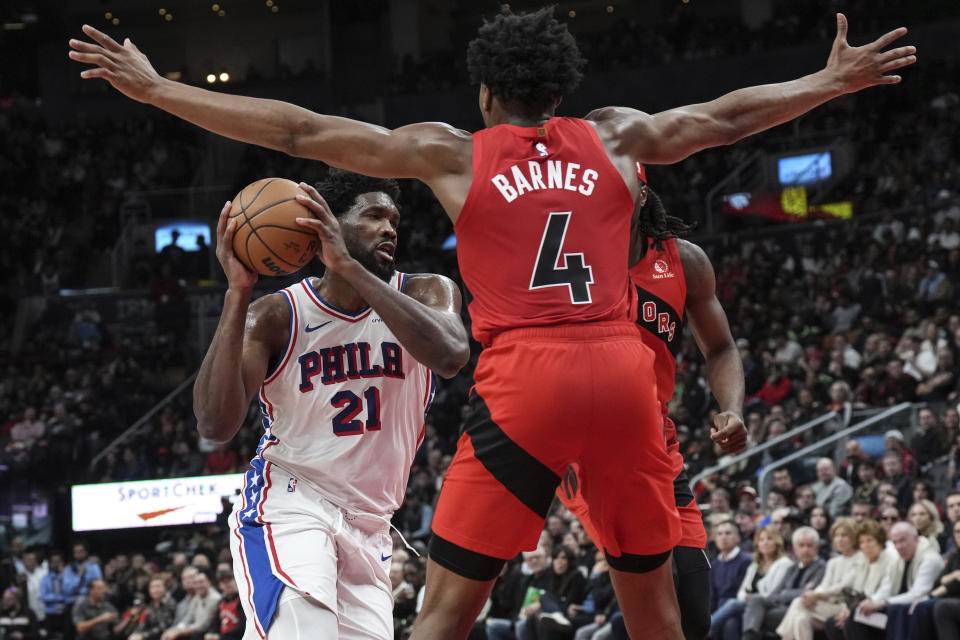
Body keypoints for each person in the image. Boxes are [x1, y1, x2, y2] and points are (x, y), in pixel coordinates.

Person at [69, 8, 917, 638]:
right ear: (561, 89)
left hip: (525, 381)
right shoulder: (616, 136)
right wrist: (828, 80)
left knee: (445, 611)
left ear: (484, 91)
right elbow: (727, 115)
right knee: (654, 607)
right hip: (625, 375)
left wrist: (154, 88)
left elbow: (299, 129)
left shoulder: (455, 151)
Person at [190, 170, 468, 639]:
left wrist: (350, 267)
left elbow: (451, 356)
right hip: (292, 504)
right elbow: (215, 425)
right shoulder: (277, 315)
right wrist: (238, 292)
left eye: (394, 219)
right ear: (326, 225)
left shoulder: (425, 292)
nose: (390, 229)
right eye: (374, 215)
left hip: (372, 527)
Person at [559, 179, 748, 639]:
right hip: (585, 450)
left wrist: (733, 407)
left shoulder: (684, 260)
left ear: (641, 194)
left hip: (656, 443)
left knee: (694, 612)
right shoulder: (559, 255)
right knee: (656, 602)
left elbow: (721, 347)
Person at [844, 522, 941, 640]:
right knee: (857, 612)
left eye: (903, 540)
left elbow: (918, 593)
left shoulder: (930, 559)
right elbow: (886, 587)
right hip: (895, 609)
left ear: (915, 539)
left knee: (895, 609)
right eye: (895, 542)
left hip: (919, 610)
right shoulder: (897, 560)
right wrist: (871, 601)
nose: (899, 546)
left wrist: (883, 603)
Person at [776, 518, 863, 640]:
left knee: (797, 602)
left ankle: (784, 637)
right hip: (828, 604)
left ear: (854, 537)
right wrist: (813, 595)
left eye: (844, 535)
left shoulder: (861, 558)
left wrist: (817, 596)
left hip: (845, 606)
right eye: (837, 535)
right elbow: (824, 584)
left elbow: (844, 586)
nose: (840, 539)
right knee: (802, 619)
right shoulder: (833, 562)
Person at [740, 527, 827, 640]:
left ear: (816, 548)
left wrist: (785, 594)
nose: (805, 550)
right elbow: (774, 594)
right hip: (781, 606)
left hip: (801, 609)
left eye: (809, 545)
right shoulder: (792, 568)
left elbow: (807, 594)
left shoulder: (822, 567)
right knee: (756, 599)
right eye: (801, 546)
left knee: (759, 615)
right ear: (795, 549)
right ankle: (749, 636)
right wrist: (786, 595)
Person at [711, 526, 791, 640]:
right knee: (731, 622)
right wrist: (746, 597)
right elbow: (742, 591)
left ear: (777, 542)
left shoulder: (784, 563)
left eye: (769, 539)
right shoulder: (755, 565)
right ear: (757, 544)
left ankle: (707, 627)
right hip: (749, 604)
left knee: (732, 603)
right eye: (761, 540)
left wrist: (751, 597)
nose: (765, 542)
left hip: (770, 605)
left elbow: (773, 593)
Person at [709, 522, 752, 616]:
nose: (723, 537)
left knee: (730, 624)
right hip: (719, 608)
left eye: (728, 533)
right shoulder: (714, 563)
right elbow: (713, 595)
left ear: (738, 538)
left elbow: (743, 592)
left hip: (737, 608)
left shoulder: (746, 561)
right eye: (719, 534)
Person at [161, 572, 220, 640]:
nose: (198, 586)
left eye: (201, 582)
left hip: (208, 633)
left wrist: (179, 632)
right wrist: (175, 630)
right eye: (196, 583)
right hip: (195, 632)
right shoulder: (197, 597)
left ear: (209, 583)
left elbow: (203, 624)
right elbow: (188, 618)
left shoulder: (214, 598)